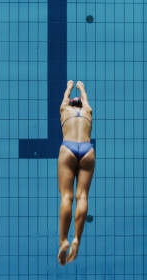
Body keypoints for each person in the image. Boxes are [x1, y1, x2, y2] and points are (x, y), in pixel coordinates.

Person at [57, 80, 95, 266]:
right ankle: (76, 239)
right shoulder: (87, 111)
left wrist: (69, 87)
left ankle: (63, 240)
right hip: (87, 150)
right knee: (82, 196)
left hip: (68, 148)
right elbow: (86, 100)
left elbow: (64, 98)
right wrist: (82, 88)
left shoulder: (65, 110)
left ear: (71, 103)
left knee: (66, 197)